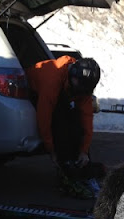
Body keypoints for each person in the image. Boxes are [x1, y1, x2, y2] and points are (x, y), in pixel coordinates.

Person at [26, 56, 102, 199]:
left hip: (59, 92)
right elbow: (44, 118)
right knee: (60, 119)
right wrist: (52, 150)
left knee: (75, 120)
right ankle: (66, 172)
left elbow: (86, 119)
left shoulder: (82, 85)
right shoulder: (52, 80)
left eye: (83, 90)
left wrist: (84, 151)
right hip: (33, 90)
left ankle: (83, 169)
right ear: (73, 74)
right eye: (78, 87)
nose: (79, 92)